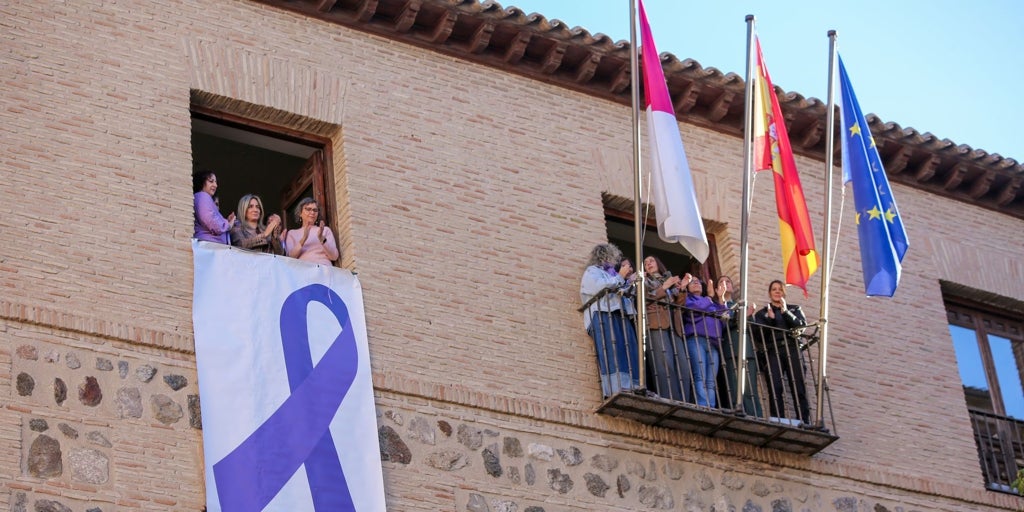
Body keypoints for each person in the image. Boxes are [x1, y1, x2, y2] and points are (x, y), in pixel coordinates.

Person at [580, 243, 640, 398]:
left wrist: (629, 283)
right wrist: (620, 277)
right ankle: (616, 388)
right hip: (603, 314)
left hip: (619, 314)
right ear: (605, 256)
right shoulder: (592, 271)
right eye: (613, 257)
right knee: (613, 352)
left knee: (628, 350)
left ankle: (634, 385)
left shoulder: (612, 274)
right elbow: (598, 288)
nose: (615, 261)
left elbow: (618, 292)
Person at [750, 280, 811, 424]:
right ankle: (778, 418)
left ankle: (804, 420)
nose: (777, 292)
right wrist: (770, 320)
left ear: (784, 292)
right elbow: (759, 335)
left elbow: (801, 327)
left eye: (780, 289)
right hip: (773, 351)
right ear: (770, 293)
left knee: (798, 385)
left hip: (793, 349)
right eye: (774, 289)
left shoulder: (794, 309)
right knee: (775, 385)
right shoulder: (763, 313)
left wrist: (786, 312)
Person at [641, 256, 691, 402]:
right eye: (645, 263)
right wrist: (664, 287)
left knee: (683, 365)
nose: (648, 264)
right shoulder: (644, 281)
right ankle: (670, 399)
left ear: (658, 263)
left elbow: (680, 305)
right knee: (664, 363)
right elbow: (645, 297)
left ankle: (684, 401)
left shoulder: (668, 280)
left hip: (674, 324)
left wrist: (682, 288)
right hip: (656, 322)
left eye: (651, 261)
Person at [715, 276, 763, 416]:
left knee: (750, 390)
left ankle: (756, 418)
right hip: (730, 351)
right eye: (721, 282)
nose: (725, 284)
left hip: (746, 351)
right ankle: (739, 415)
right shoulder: (717, 305)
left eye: (728, 281)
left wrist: (748, 316)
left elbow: (752, 329)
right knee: (734, 388)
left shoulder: (741, 305)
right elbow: (723, 324)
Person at [680, 276, 730, 407]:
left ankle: (711, 407)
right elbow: (696, 309)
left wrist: (720, 298)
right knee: (700, 377)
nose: (696, 283)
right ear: (688, 287)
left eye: (698, 282)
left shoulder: (712, 303)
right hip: (696, 340)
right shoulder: (688, 299)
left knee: (711, 382)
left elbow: (724, 321)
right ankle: (703, 405)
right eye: (692, 282)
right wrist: (709, 297)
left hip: (713, 344)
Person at [283, 198, 339, 265]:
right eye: (308, 209)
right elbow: (290, 258)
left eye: (315, 210)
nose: (312, 212)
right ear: (300, 213)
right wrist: (303, 239)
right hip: (302, 271)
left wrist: (322, 239)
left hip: (324, 270)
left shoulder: (325, 230)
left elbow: (334, 256)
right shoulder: (292, 233)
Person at [193, 170, 234, 244]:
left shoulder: (201, 197)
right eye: (211, 181)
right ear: (201, 182)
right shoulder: (203, 196)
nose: (215, 185)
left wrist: (225, 221)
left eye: (216, 182)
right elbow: (212, 222)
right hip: (209, 247)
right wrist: (228, 224)